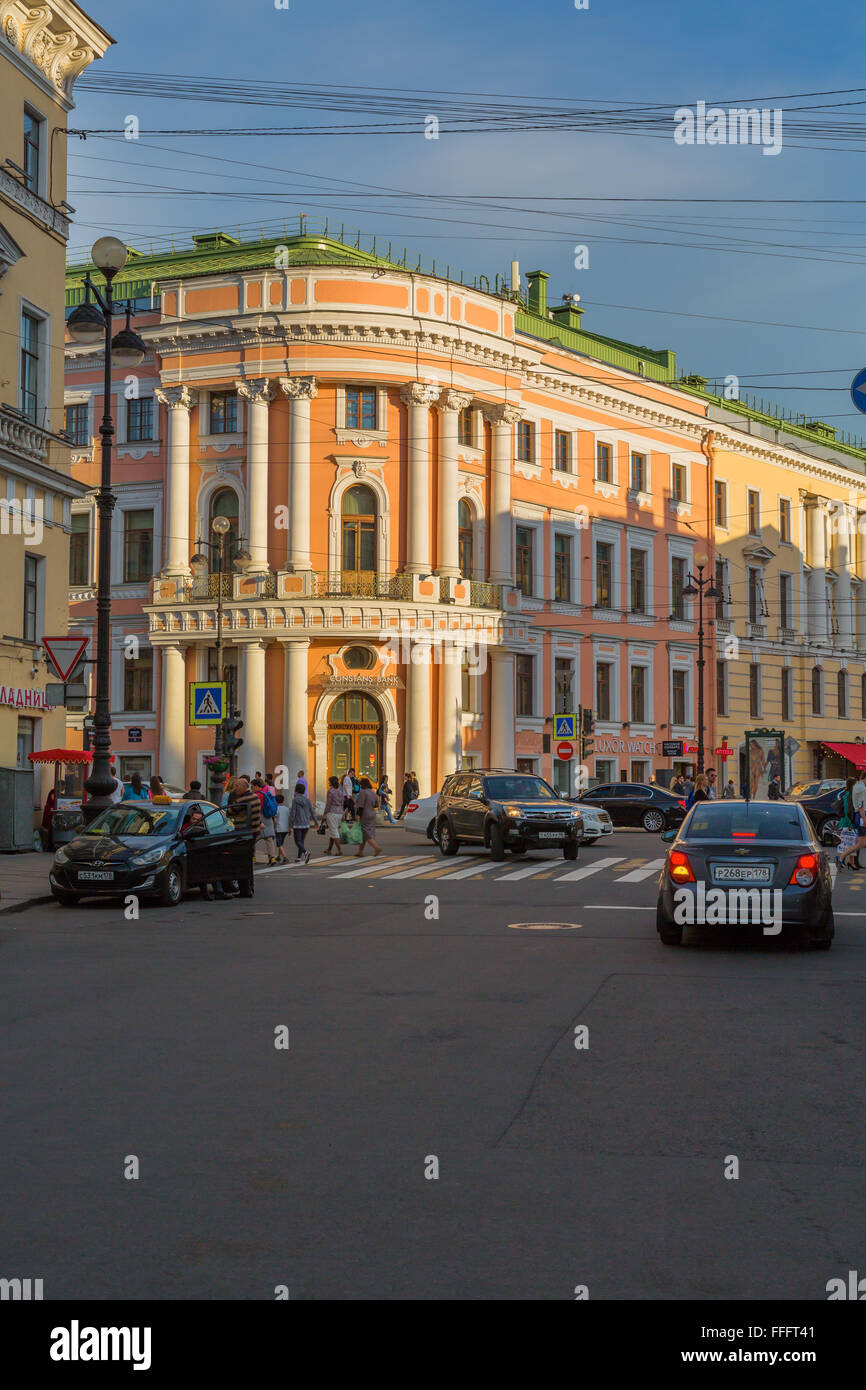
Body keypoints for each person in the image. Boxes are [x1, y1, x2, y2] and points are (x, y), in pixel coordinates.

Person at [288, 781, 318, 863]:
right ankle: (298, 857)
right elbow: (312, 811)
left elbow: (293, 813)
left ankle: (306, 852)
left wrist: (290, 825)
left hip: (298, 824)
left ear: (296, 791)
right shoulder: (308, 800)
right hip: (306, 824)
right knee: (301, 841)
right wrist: (316, 822)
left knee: (297, 841)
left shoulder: (295, 800)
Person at [353, 776, 383, 857]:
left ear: (362, 785)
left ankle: (376, 847)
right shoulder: (372, 792)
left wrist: (358, 815)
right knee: (364, 833)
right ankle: (360, 851)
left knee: (366, 833)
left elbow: (360, 806)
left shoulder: (363, 792)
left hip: (365, 814)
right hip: (372, 814)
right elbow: (376, 804)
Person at [836, 777, 857, 870]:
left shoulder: (846, 794)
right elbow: (847, 810)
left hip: (846, 821)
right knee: (848, 842)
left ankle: (850, 862)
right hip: (848, 822)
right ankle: (841, 860)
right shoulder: (849, 795)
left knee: (849, 842)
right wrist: (849, 824)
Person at [323, 776, 345, 855]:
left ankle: (339, 850)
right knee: (333, 831)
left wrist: (325, 814)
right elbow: (343, 803)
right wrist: (343, 814)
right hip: (340, 813)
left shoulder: (330, 791)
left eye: (329, 781)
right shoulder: (340, 791)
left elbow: (328, 804)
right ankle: (329, 849)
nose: (328, 782)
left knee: (334, 832)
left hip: (332, 813)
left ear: (331, 782)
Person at [274, 792, 290, 864]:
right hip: (286, 828)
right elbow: (289, 819)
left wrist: (274, 827)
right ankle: (278, 856)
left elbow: (274, 819)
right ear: (283, 801)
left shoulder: (276, 808)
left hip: (279, 828)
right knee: (281, 843)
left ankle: (285, 857)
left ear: (276, 801)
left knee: (279, 844)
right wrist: (290, 828)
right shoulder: (287, 809)